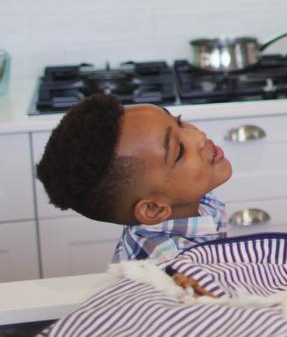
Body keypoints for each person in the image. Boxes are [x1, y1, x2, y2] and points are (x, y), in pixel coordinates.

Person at [36, 94, 232, 262]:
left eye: (178, 122)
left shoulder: (189, 203)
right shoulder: (177, 268)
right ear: (153, 209)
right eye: (179, 152)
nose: (198, 136)